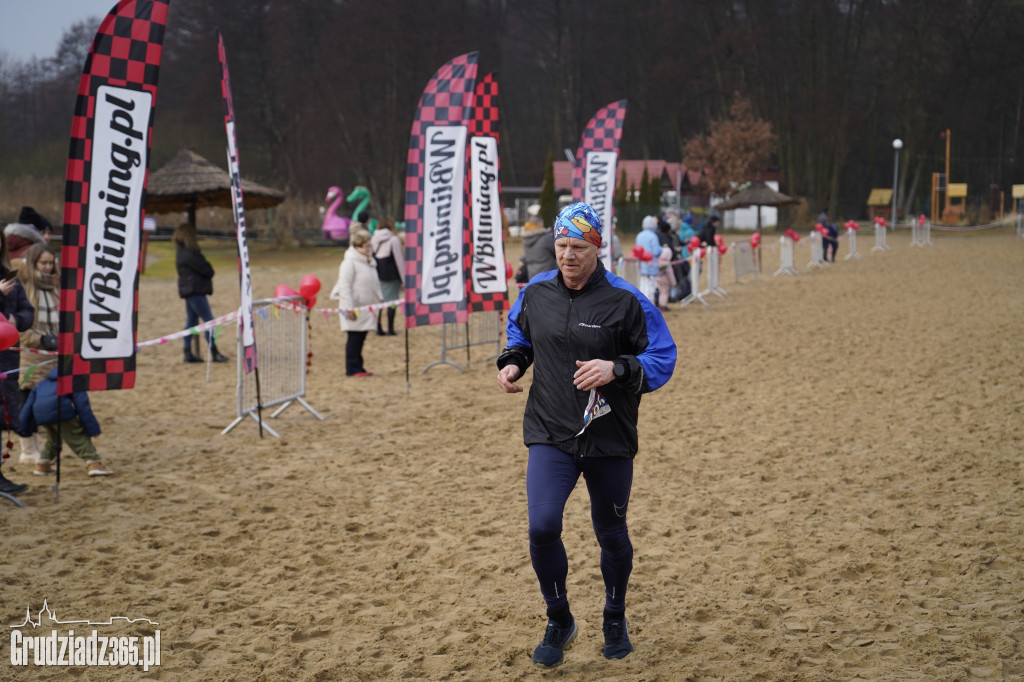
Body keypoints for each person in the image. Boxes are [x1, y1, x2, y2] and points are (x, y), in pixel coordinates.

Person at [495, 202, 676, 668]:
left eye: (578, 246)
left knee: (610, 532)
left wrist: (616, 367)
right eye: (561, 246)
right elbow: (521, 332)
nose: (568, 256)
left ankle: (614, 615)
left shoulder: (627, 300)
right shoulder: (536, 291)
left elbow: (663, 357)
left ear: (597, 247)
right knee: (541, 527)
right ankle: (559, 618)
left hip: (608, 435)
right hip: (551, 431)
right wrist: (514, 361)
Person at [19, 368, 112, 476]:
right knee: (78, 436)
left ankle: (42, 465)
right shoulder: (74, 380)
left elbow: (27, 407)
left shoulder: (42, 384)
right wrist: (93, 429)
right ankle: (94, 463)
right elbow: (83, 407)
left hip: (41, 415)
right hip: (61, 412)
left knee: (53, 438)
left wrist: (22, 426)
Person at [16, 242, 59, 464]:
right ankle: (27, 448)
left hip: (54, 355)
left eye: (51, 263)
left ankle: (42, 447)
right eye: (43, 263)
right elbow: (21, 327)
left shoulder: (55, 288)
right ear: (33, 263)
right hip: (31, 356)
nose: (48, 268)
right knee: (27, 404)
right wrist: (42, 339)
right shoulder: (24, 286)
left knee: (47, 403)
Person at [0, 229, 35, 495]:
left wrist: (16, 321)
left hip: (7, 357)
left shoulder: (10, 274)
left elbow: (27, 312)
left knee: (3, 416)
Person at [329, 228, 382, 377]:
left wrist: (379, 298)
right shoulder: (349, 263)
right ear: (357, 246)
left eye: (369, 246)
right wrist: (348, 308)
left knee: (361, 337)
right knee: (354, 338)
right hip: (355, 307)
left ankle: (359, 366)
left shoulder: (370, 262)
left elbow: (375, 282)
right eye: (366, 247)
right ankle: (352, 368)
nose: (369, 249)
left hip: (368, 307)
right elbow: (345, 287)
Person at [174, 222, 228, 364]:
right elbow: (207, 269)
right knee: (209, 321)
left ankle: (187, 352)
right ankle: (214, 351)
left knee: (191, 322)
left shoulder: (181, 252)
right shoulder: (188, 253)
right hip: (195, 290)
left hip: (190, 290)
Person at [369, 215, 403, 336]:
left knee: (380, 301)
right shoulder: (394, 239)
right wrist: (403, 279)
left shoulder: (373, 238)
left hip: (378, 274)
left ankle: (378, 328)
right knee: (392, 302)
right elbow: (399, 260)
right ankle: (390, 328)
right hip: (392, 276)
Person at [521, 204, 557, 279]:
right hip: (548, 275)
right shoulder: (545, 238)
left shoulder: (526, 239)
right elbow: (558, 250)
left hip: (533, 276)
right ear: (539, 224)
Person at [634, 215, 662, 304]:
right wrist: (662, 249)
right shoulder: (653, 236)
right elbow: (656, 251)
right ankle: (650, 304)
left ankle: (642, 304)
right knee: (651, 288)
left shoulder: (639, 235)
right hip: (651, 266)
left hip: (641, 266)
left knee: (642, 286)